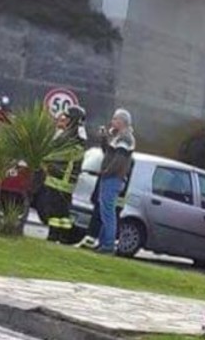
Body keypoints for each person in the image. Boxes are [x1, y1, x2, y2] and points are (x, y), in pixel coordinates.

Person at [42, 106, 87, 243]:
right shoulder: (67, 134)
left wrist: (46, 157)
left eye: (67, 118)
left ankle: (55, 236)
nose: (64, 119)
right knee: (59, 211)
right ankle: (61, 236)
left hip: (62, 180)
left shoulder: (75, 138)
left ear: (73, 120)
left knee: (57, 211)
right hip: (57, 178)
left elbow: (62, 154)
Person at [96, 109, 135, 254]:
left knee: (108, 212)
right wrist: (104, 138)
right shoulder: (118, 136)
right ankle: (103, 243)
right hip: (110, 178)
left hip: (113, 179)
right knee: (105, 210)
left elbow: (119, 160)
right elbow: (108, 152)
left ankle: (108, 245)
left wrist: (106, 173)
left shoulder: (125, 138)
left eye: (115, 119)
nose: (112, 122)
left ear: (122, 121)